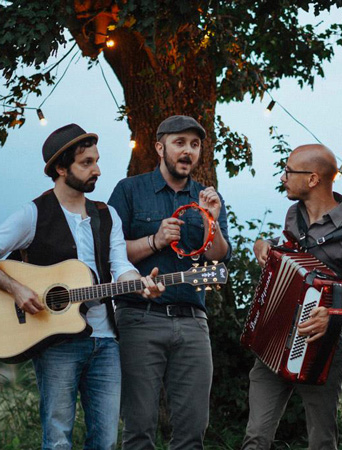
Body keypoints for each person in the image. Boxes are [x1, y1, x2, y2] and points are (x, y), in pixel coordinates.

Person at [0, 123, 163, 450]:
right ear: (61, 168)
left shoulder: (108, 215)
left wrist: (140, 284)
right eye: (86, 163)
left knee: (104, 442)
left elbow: (121, 268)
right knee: (58, 440)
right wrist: (16, 289)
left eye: (97, 160)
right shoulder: (32, 214)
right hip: (55, 341)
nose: (97, 170)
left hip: (106, 343)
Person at [241, 144, 342, 450]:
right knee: (255, 438)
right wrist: (264, 244)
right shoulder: (294, 215)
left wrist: (337, 315)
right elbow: (289, 253)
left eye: (289, 171)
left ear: (313, 179)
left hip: (322, 351)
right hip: (275, 340)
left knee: (321, 441)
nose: (283, 177)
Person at [108, 115, 232, 450]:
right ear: (160, 146)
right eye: (180, 143)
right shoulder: (129, 190)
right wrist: (156, 240)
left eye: (194, 145)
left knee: (192, 432)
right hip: (139, 318)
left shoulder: (206, 197)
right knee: (139, 430)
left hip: (193, 321)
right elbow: (109, 253)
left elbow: (219, 257)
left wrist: (213, 223)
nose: (188, 151)